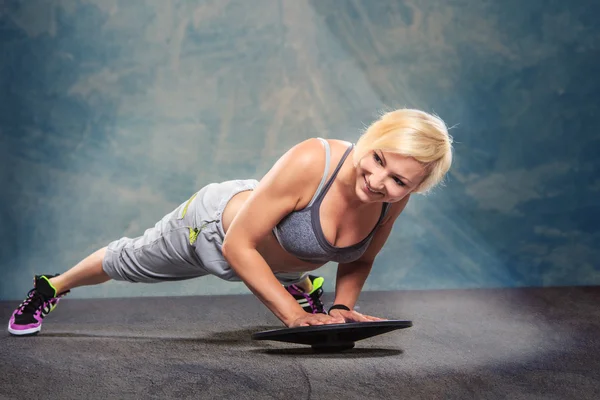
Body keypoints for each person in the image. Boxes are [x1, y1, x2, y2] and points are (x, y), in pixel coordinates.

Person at [8, 108, 453, 336]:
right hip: (213, 230)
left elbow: (358, 259)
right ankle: (52, 285)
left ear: (416, 187)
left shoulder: (395, 198)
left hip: (278, 257)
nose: (378, 181)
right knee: (128, 261)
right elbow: (238, 246)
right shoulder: (313, 159)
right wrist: (294, 317)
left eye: (398, 180)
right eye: (375, 159)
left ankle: (298, 284)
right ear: (369, 139)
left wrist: (340, 309)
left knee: (292, 270)